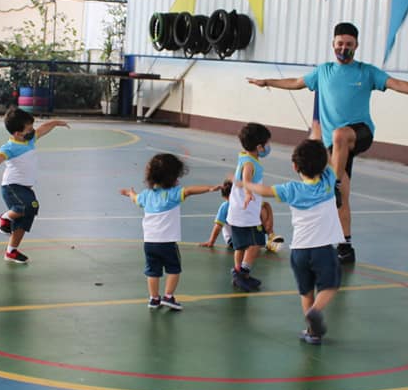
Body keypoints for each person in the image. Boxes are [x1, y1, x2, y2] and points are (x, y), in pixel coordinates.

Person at [247, 21, 408, 264]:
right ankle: (345, 246)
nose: (344, 48)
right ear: (333, 44)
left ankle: (332, 183)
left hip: (359, 133)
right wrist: (267, 82)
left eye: (349, 45)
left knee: (339, 136)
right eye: (340, 44)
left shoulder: (366, 72)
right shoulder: (322, 72)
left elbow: (397, 84)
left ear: (356, 46)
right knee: (342, 196)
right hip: (334, 148)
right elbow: (295, 82)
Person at [241, 139, 344, 344]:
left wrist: (245, 184)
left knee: (306, 292)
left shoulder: (291, 189)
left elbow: (265, 191)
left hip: (299, 252)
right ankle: (315, 312)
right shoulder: (328, 181)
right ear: (324, 164)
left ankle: (312, 332)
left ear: (295, 167)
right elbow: (331, 161)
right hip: (322, 249)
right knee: (330, 285)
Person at [120, 153, 221, 310]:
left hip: (149, 243)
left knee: (152, 272)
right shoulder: (173, 194)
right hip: (167, 242)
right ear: (173, 178)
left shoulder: (146, 195)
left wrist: (129, 193)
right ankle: (168, 296)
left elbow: (135, 198)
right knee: (173, 269)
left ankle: (154, 299)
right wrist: (209, 188)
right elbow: (189, 191)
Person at [0, 107, 69, 265]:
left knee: (26, 217)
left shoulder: (29, 140)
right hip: (12, 187)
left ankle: (11, 251)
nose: (32, 131)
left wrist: (56, 123)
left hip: (25, 188)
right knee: (27, 206)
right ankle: (3, 218)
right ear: (17, 133)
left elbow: (43, 129)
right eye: (29, 129)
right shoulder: (9, 148)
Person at [226, 122, 272, 291]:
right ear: (259, 147)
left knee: (240, 246)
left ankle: (240, 273)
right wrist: (247, 193)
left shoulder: (245, 156)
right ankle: (241, 273)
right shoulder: (250, 164)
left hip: (237, 211)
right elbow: (246, 179)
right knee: (255, 244)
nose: (268, 147)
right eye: (267, 144)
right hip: (246, 213)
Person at [200, 180, 285, 252]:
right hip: (234, 240)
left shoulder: (245, 202)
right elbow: (218, 226)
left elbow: (265, 206)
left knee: (263, 208)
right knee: (252, 246)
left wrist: (269, 228)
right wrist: (211, 241)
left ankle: (270, 237)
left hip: (248, 234)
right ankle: (265, 243)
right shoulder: (226, 206)